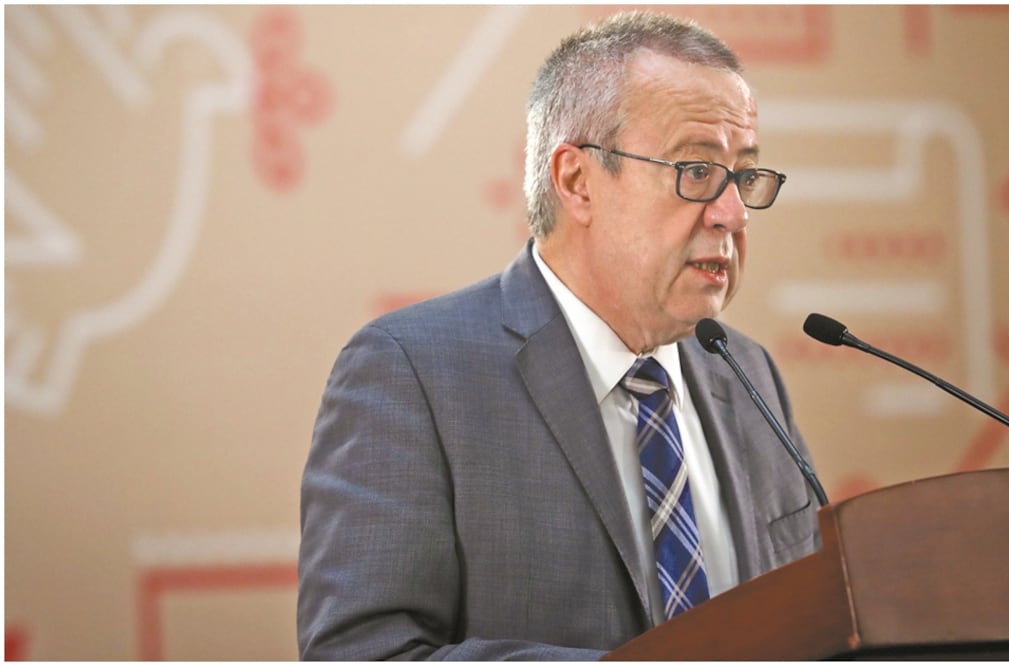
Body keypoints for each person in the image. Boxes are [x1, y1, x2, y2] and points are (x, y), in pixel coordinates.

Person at [298, 10, 821, 660]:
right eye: (695, 172)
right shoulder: (412, 375)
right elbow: (365, 652)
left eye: (743, 176)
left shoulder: (747, 375)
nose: (732, 213)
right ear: (576, 182)